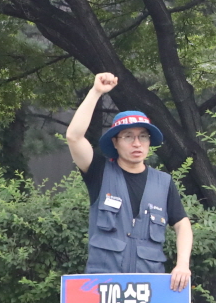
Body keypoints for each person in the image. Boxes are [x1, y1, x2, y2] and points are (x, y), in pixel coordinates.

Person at [64, 73, 192, 288]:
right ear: (115, 142)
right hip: (103, 288)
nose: (137, 143)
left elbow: (182, 224)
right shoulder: (99, 171)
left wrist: (182, 265)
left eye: (143, 136)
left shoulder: (163, 182)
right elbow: (74, 137)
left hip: (148, 289)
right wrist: (96, 92)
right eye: (128, 136)